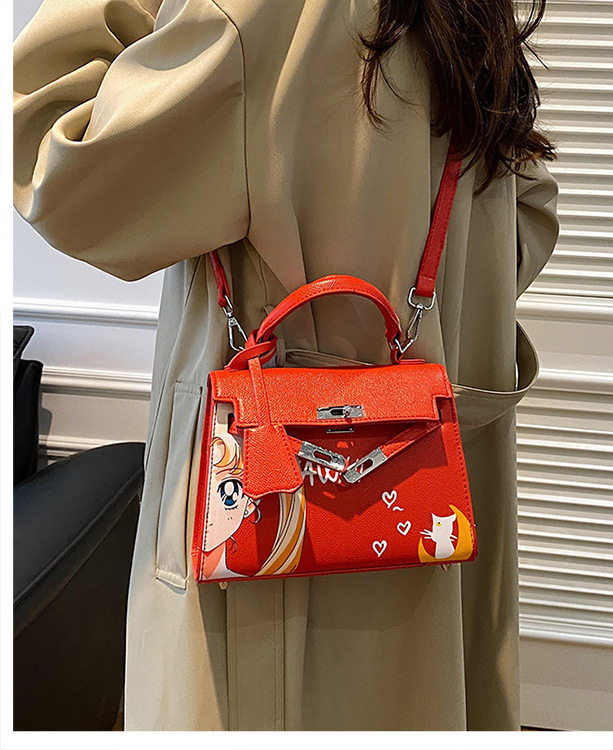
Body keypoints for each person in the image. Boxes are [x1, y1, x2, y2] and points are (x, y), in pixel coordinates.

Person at [13, 0, 559, 731]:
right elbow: (527, 220)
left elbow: (56, 160)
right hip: (436, 525)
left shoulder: (259, 12)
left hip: (280, 573)